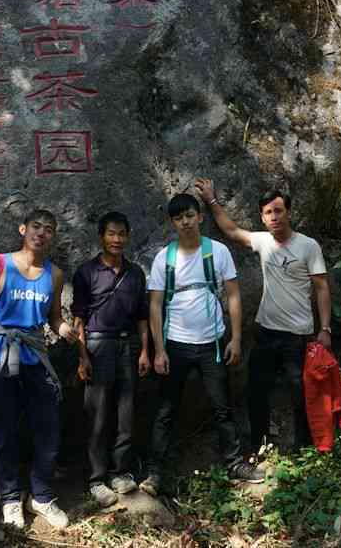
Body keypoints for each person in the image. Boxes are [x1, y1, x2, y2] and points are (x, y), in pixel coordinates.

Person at [0, 208, 77, 530]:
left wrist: (66, 331)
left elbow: (54, 318)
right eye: (36, 226)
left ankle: (42, 496)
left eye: (49, 229)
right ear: (23, 229)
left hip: (35, 354)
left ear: (53, 236)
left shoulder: (55, 274)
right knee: (4, 428)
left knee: (48, 424)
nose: (41, 233)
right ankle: (9, 499)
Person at [139, 193, 265, 495]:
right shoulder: (164, 258)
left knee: (222, 405)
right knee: (166, 410)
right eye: (179, 217)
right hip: (175, 344)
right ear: (172, 222)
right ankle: (155, 471)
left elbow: (233, 295)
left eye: (190, 215)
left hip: (213, 343)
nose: (185, 221)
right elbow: (154, 305)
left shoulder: (217, 252)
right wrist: (159, 350)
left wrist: (235, 338)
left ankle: (234, 463)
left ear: (200, 217)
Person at [194, 178, 332, 454]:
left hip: (297, 335)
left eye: (278, 211)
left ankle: (302, 445)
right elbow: (232, 230)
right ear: (262, 217)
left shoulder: (308, 246)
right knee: (256, 389)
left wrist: (325, 328)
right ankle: (259, 439)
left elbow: (321, 287)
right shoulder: (263, 241)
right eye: (268, 213)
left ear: (288, 212)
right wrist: (211, 199)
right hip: (266, 331)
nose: (274, 217)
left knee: (299, 392)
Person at [72, 211, 150, 508]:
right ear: (101, 237)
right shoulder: (86, 272)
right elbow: (79, 317)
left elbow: (142, 317)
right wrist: (82, 357)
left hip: (127, 345)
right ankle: (96, 478)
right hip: (98, 344)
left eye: (122, 234)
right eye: (111, 234)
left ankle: (120, 471)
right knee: (98, 414)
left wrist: (144, 351)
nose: (117, 239)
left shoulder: (135, 273)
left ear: (128, 237)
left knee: (126, 412)